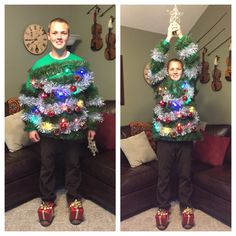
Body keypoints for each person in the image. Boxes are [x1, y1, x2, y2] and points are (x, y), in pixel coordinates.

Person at [19, 18, 104, 227]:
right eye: (55, 33)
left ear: (68, 35)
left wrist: (92, 125)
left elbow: (92, 96)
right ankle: (47, 201)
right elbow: (29, 98)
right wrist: (31, 126)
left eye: (63, 33)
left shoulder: (79, 64)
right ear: (48, 36)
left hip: (74, 129)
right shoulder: (39, 65)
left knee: (73, 165)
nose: (59, 37)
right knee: (47, 166)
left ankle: (74, 198)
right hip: (47, 129)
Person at [147, 22, 201, 230]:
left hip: (186, 139)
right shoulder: (160, 83)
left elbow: (193, 59)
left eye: (179, 68)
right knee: (164, 175)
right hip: (165, 139)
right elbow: (154, 64)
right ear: (167, 71)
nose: (176, 71)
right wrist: (167, 38)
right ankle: (162, 207)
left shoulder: (190, 82)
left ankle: (186, 207)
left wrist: (182, 36)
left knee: (186, 175)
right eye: (172, 69)